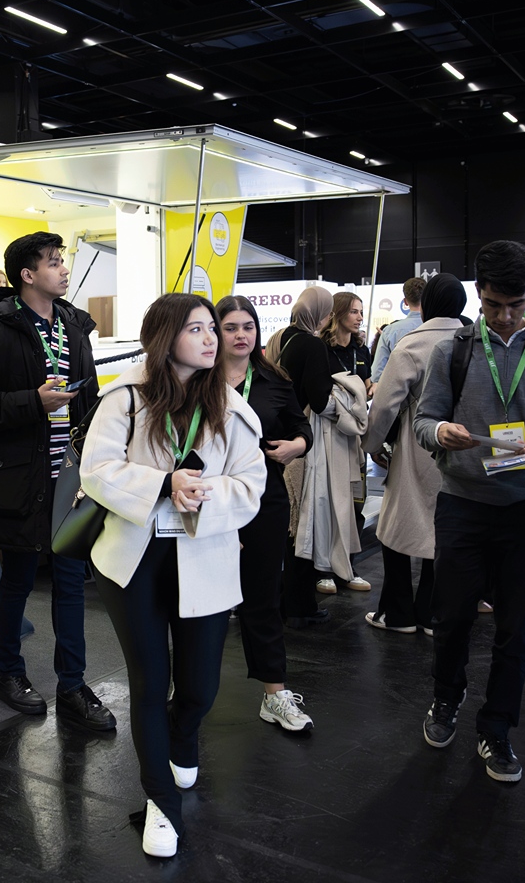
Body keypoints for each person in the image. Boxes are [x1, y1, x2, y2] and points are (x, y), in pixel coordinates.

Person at [80, 293, 266, 858]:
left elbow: (251, 485)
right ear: (165, 338)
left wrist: (199, 493)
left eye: (214, 328)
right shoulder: (125, 399)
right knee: (147, 681)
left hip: (203, 553)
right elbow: (97, 470)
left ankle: (182, 740)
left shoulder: (232, 408)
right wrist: (164, 484)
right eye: (197, 329)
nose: (212, 338)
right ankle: (160, 802)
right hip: (133, 560)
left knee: (201, 686)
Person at [413, 240, 525, 783]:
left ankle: (497, 728)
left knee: (516, 626)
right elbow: (423, 422)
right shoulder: (454, 351)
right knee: (453, 616)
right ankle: (447, 698)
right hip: (462, 505)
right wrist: (441, 432)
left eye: (514, 305)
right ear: (479, 296)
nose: (504, 317)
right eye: (492, 305)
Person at [0, 232, 115, 730]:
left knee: (69, 583)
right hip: (18, 481)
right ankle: (9, 674)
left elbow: (88, 400)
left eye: (63, 261)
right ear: (27, 274)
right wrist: (31, 402)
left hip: (69, 480)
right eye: (54, 262)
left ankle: (73, 684)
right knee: (18, 581)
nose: (64, 270)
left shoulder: (73, 326)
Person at [216, 295, 313, 732]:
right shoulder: (196, 377)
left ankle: (275, 694)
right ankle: (188, 682)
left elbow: (301, 427)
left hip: (263, 499)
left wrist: (298, 446)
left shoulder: (274, 378)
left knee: (261, 596)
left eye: (248, 327)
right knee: (201, 597)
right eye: (231, 327)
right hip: (210, 500)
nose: (241, 335)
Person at [362, 273, 467, 634]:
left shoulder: (412, 343)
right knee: (447, 531)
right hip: (464, 449)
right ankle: (432, 612)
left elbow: (385, 404)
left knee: (396, 526)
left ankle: (398, 613)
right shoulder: (475, 341)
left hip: (416, 446)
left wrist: (371, 445)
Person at [264, 286, 334, 627]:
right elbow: (319, 399)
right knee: (300, 521)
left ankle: (282, 597)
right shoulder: (312, 344)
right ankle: (299, 602)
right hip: (300, 440)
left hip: (275, 435)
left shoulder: (282, 337)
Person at [313, 290, 372, 595]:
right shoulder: (321, 350)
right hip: (327, 430)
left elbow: (365, 388)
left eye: (360, 312)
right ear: (337, 314)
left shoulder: (362, 352)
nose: (360, 317)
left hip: (354, 435)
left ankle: (348, 564)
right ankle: (323, 567)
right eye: (354, 312)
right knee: (326, 501)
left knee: (354, 501)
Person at [370, 276, 426, 383]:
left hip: (400, 394)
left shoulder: (390, 331)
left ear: (405, 302)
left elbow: (377, 374)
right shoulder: (438, 327)